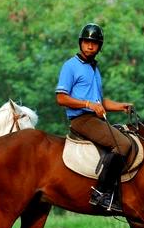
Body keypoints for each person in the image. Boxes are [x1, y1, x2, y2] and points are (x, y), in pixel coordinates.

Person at [55, 23, 132, 213]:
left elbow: (99, 101)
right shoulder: (70, 66)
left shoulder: (94, 69)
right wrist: (88, 105)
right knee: (123, 145)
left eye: (94, 43)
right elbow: (61, 98)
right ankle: (101, 193)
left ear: (99, 47)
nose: (90, 46)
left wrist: (120, 106)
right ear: (81, 43)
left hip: (95, 119)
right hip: (82, 120)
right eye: (87, 42)